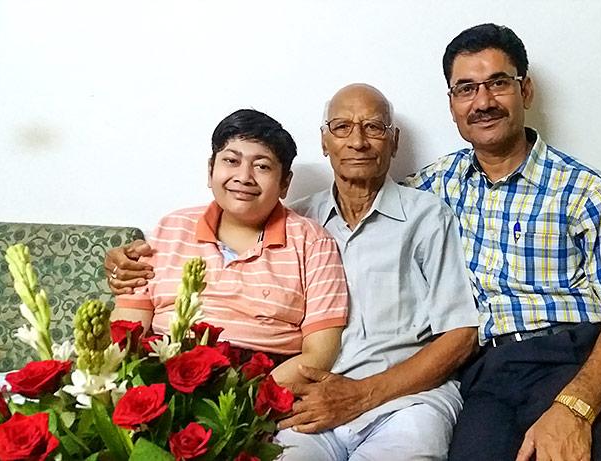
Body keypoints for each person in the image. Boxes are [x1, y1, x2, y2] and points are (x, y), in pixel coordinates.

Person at [106, 84, 479, 460]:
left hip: (404, 401)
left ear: (393, 141)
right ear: (323, 141)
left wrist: (363, 394)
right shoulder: (294, 220)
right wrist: (124, 265)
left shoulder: (426, 217)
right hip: (308, 402)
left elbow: (461, 334)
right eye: (342, 127)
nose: (358, 141)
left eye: (374, 127)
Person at [403, 23, 601, 461]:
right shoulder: (433, 186)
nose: (483, 102)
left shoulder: (584, 189)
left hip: (576, 356)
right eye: (466, 89)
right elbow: (365, 204)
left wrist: (575, 408)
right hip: (486, 376)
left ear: (526, 91)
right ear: (452, 104)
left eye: (498, 83)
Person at [110, 109, 349, 385]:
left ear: (285, 183)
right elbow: (127, 330)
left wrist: (249, 402)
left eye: (262, 166)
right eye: (231, 161)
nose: (244, 177)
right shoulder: (170, 228)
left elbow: (320, 353)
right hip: (163, 376)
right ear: (211, 171)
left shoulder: (313, 242)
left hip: (260, 384)